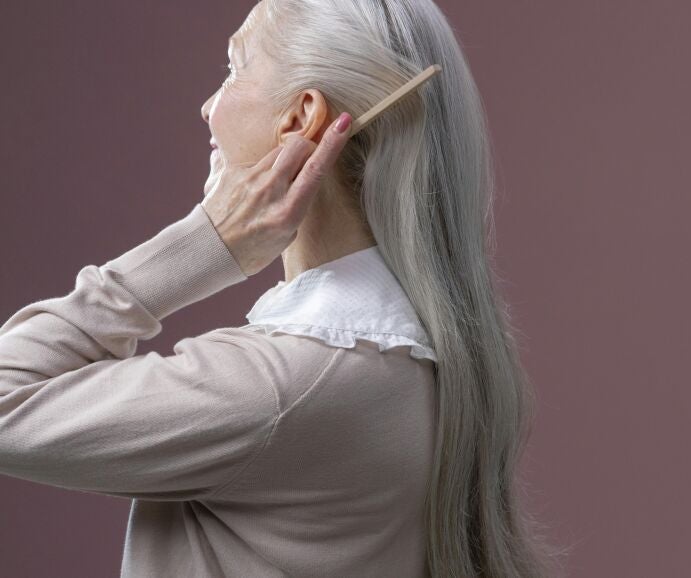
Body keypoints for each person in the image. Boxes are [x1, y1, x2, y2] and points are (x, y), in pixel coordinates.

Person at [0, 1, 567, 576]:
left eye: (233, 68)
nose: (208, 107)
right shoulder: (423, 361)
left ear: (302, 118)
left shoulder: (280, 390)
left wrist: (206, 242)